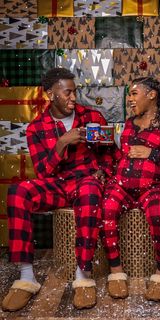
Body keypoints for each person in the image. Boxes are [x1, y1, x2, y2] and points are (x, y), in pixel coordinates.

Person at [2, 68, 116, 312]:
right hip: (58, 184)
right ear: (50, 95)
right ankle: (26, 276)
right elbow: (43, 172)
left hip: (86, 181)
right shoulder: (36, 128)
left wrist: (102, 172)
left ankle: (83, 275)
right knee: (18, 191)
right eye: (67, 93)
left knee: (89, 190)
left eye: (75, 92)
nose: (73, 98)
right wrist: (62, 142)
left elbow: (111, 154)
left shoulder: (92, 117)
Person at [100, 77, 160, 301]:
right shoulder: (129, 124)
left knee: (159, 213)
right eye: (129, 94)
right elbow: (122, 156)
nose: (129, 99)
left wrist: (153, 154)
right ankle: (116, 271)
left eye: (134, 93)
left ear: (151, 95)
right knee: (107, 208)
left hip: (154, 186)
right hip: (123, 185)